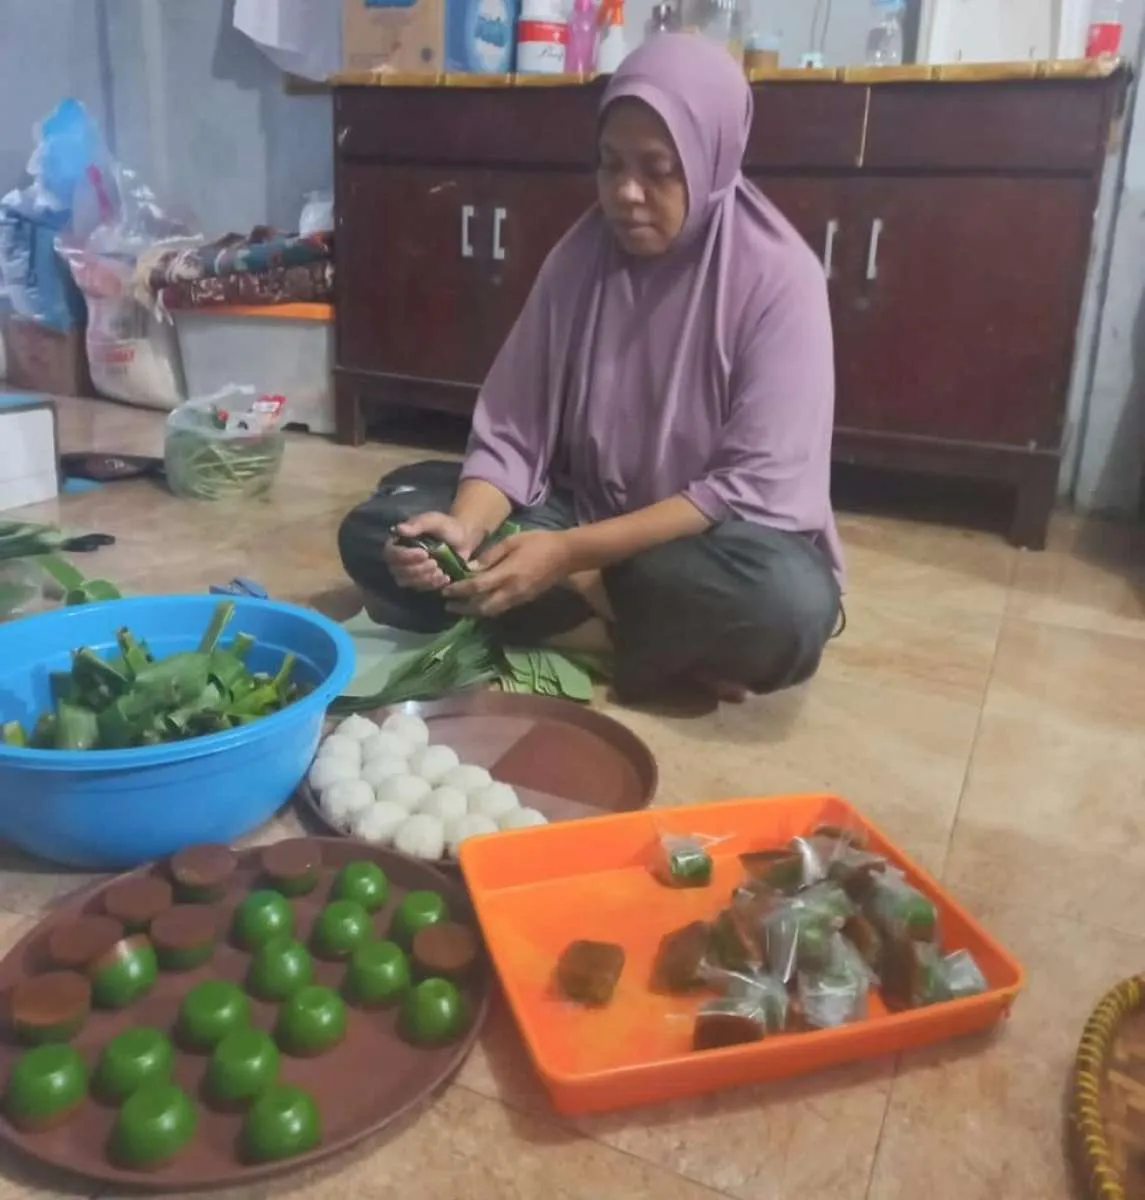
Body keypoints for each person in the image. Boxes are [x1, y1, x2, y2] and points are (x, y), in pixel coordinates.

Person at [338, 33, 844, 705]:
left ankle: (561, 611)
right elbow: (513, 431)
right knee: (386, 526)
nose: (626, 193)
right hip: (576, 511)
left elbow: (747, 490)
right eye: (609, 165)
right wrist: (464, 527)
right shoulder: (578, 260)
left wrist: (571, 558)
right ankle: (621, 639)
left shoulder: (779, 280)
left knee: (789, 606)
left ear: (713, 159)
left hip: (697, 545)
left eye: (659, 169)